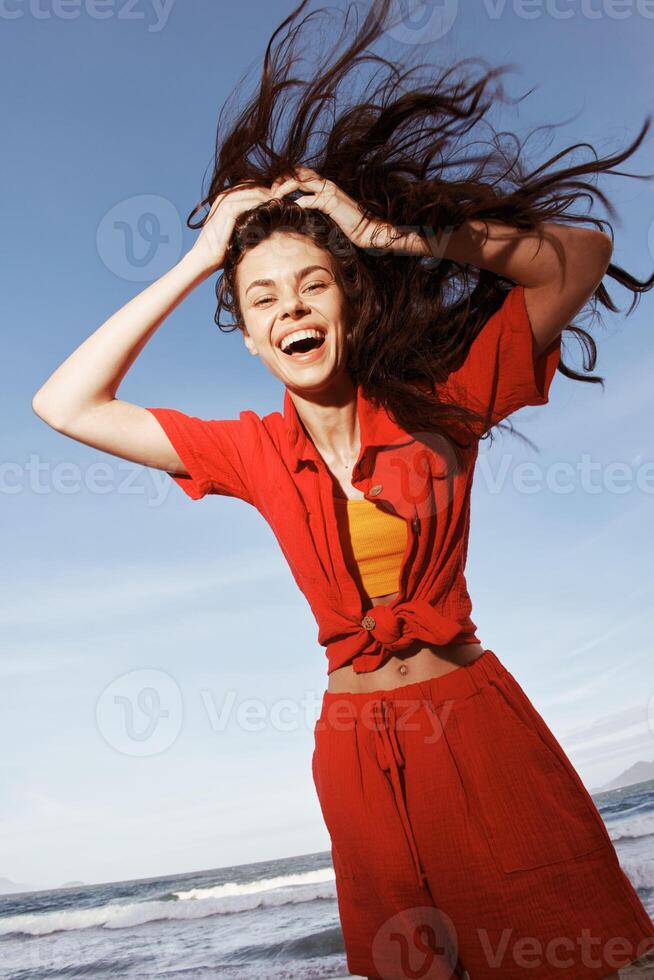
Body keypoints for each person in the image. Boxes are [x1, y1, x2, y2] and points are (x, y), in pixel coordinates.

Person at [32, 2, 654, 977]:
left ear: (351, 301)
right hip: (355, 756)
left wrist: (394, 230)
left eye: (314, 285)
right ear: (244, 332)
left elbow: (576, 255)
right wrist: (202, 258)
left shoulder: (443, 403)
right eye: (265, 299)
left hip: (475, 733)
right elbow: (65, 401)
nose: (291, 310)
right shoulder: (247, 450)